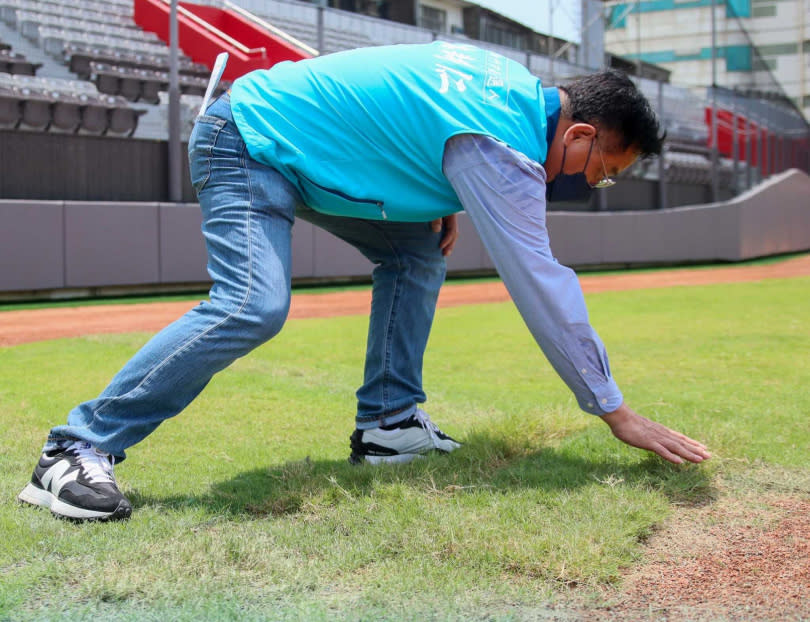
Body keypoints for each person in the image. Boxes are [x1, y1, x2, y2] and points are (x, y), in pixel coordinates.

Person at [19, 41, 710, 522]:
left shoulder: (503, 85)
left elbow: (397, 116)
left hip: (299, 144)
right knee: (252, 305)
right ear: (582, 133)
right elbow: (540, 282)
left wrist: (435, 194)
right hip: (249, 139)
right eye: (607, 166)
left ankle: (388, 425)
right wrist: (612, 409)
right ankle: (74, 448)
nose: (599, 180)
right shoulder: (501, 141)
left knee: (416, 254)